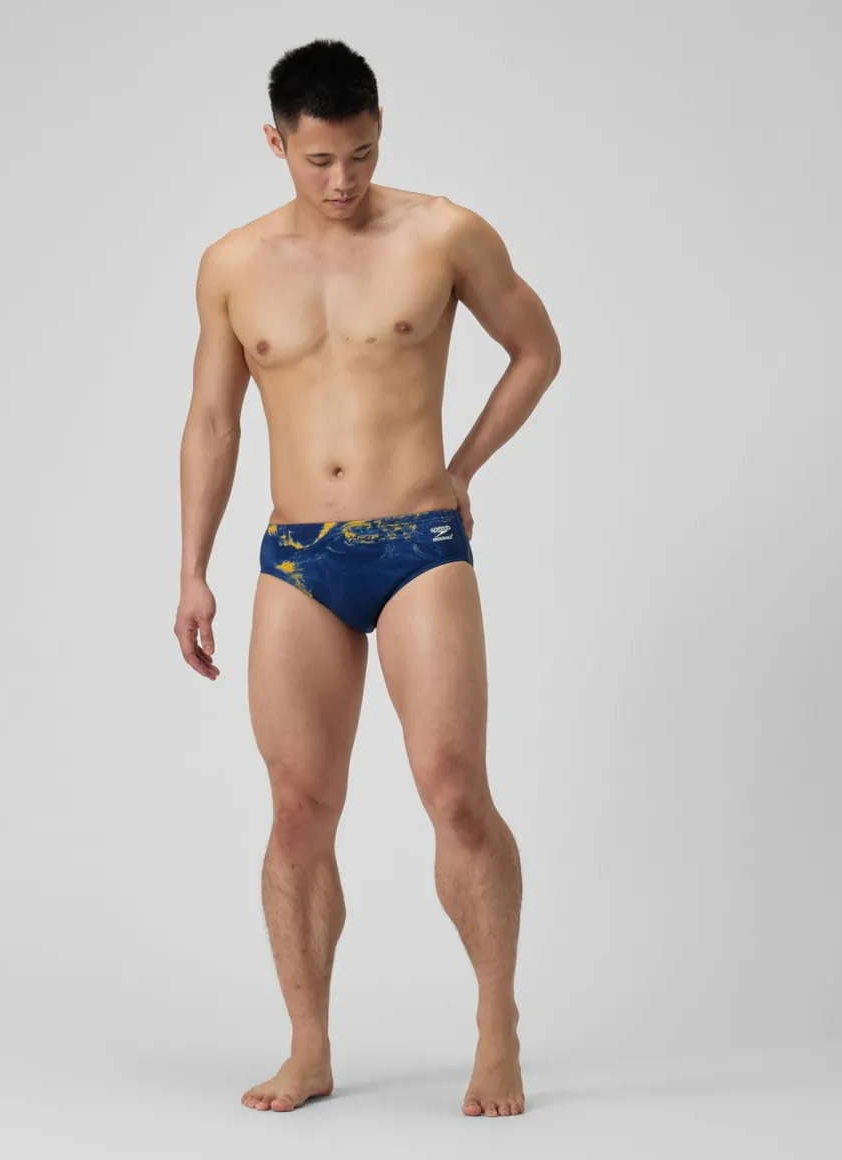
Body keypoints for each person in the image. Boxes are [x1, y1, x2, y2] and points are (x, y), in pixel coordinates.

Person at [175, 38, 561, 1118]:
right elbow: (212, 421)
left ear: (379, 128)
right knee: (297, 810)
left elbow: (536, 348)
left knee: (455, 793)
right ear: (275, 143)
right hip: (298, 556)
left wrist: (461, 468)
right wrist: (192, 568)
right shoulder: (233, 264)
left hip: (417, 543)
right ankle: (308, 1047)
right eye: (318, 160)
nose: (342, 180)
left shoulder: (442, 233)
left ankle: (496, 1024)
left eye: (360, 154)